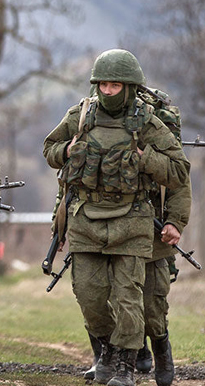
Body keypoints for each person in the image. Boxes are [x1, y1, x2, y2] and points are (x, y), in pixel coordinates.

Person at [43, 49, 189, 386]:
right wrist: (66, 150)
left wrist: (145, 158)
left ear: (129, 87)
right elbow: (50, 150)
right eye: (103, 85)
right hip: (86, 220)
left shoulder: (147, 122)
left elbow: (179, 171)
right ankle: (106, 352)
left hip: (132, 220)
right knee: (89, 295)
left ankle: (126, 365)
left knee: (131, 298)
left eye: (115, 85)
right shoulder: (80, 116)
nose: (107, 91)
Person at [79, 85, 190, 386]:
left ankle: (161, 348)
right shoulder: (92, 122)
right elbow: (73, 184)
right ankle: (109, 358)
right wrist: (59, 224)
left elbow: (179, 183)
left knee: (151, 306)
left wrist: (175, 222)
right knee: (102, 295)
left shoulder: (153, 126)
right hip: (106, 223)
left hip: (152, 227)